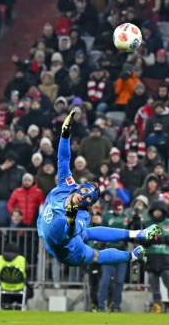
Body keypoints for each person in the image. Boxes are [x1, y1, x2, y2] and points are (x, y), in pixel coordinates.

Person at [37, 109, 161, 269]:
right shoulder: (66, 185)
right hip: (45, 231)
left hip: (70, 252)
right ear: (79, 187)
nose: (84, 196)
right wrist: (65, 134)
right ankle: (137, 234)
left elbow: (68, 233)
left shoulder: (82, 216)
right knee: (86, 233)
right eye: (85, 191)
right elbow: (63, 158)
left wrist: (70, 219)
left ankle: (132, 255)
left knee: (95, 252)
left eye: (90, 198)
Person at [144, 201, 169, 314]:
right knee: (154, 283)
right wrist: (152, 239)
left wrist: (165, 239)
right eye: (156, 211)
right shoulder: (147, 224)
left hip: (166, 256)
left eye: (160, 211)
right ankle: (157, 305)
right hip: (151, 256)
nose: (158, 213)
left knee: (168, 280)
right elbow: (141, 240)